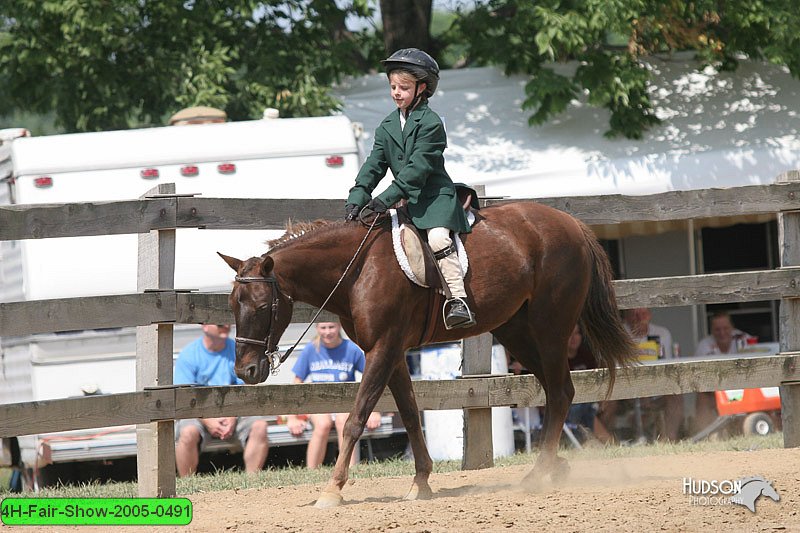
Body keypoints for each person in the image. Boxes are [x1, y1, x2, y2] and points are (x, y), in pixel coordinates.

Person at [343, 48, 476, 330]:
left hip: (433, 199)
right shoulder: (387, 125)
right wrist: (358, 196)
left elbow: (418, 170)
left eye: (403, 87)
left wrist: (383, 200)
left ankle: (457, 300)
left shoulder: (431, 123)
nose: (396, 92)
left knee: (439, 239)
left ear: (422, 88)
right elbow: (374, 164)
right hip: (403, 202)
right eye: (393, 86)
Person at [174, 324, 269, 476]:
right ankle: (187, 482)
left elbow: (245, 390)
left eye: (227, 322)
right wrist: (207, 419)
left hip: (233, 411)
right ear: (204, 326)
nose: (225, 326)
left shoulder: (238, 352)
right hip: (199, 414)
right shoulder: (189, 355)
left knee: (260, 426)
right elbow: (184, 397)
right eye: (219, 324)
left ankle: (253, 481)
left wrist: (232, 414)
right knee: (188, 432)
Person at [285, 322, 382, 469]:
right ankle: (312, 471)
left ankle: (348, 468)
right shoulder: (311, 349)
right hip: (319, 404)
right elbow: (297, 383)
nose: (327, 332)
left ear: (339, 327)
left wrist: (374, 411)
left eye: (331, 327)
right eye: (323, 328)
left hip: (345, 403)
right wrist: (292, 418)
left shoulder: (351, 349)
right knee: (323, 424)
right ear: (317, 328)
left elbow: (371, 379)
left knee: (344, 422)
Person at [598, 308, 683, 441]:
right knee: (607, 399)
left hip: (656, 390)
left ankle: (669, 440)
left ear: (649, 315)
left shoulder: (662, 333)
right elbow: (612, 369)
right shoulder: (617, 334)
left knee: (676, 395)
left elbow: (668, 368)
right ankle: (605, 441)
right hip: (624, 391)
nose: (639, 319)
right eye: (634, 315)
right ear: (626, 316)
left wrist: (650, 392)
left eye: (642, 314)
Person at [693, 312, 754, 431]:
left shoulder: (744, 340)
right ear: (711, 330)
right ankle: (705, 435)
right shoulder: (704, 345)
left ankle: (749, 430)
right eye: (717, 329)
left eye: (725, 328)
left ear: (732, 328)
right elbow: (699, 376)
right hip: (715, 390)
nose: (722, 333)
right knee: (702, 396)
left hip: (743, 388)